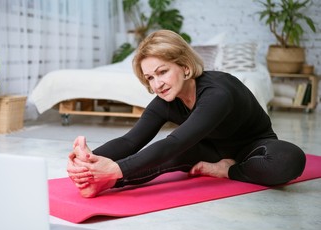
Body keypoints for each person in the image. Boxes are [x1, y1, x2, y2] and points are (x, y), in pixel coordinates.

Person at [67, 30, 306, 198]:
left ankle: (227, 170)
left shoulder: (217, 93)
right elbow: (131, 140)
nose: (157, 84)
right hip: (207, 150)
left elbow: (176, 140)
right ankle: (106, 182)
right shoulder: (165, 99)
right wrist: (88, 161)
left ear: (185, 66)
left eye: (162, 72)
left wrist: (115, 167)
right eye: (150, 77)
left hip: (251, 147)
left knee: (289, 159)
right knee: (167, 155)